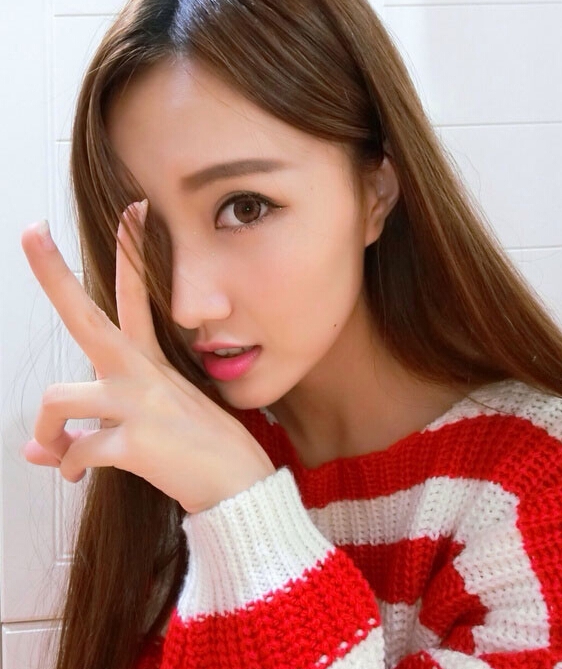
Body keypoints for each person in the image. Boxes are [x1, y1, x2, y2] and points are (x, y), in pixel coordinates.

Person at [20, 0, 562, 667]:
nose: (187, 304)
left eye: (244, 207)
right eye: (148, 234)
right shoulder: (171, 465)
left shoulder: (532, 489)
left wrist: (241, 510)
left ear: (376, 191)